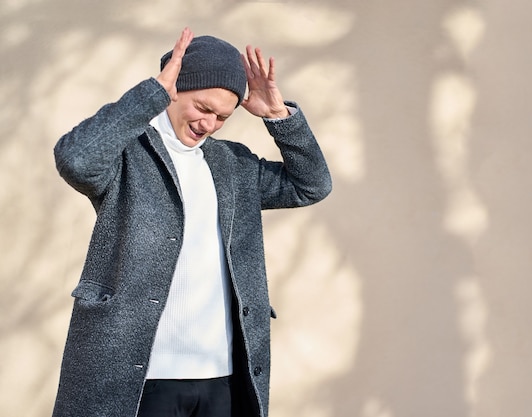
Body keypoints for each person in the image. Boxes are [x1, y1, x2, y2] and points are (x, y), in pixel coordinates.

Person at [51, 27, 331, 417]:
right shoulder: (128, 155)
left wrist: (279, 118)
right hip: (138, 378)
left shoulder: (235, 165)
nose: (209, 124)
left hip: (223, 376)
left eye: (222, 117)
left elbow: (312, 185)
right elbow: (76, 159)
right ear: (175, 89)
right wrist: (149, 95)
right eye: (202, 107)